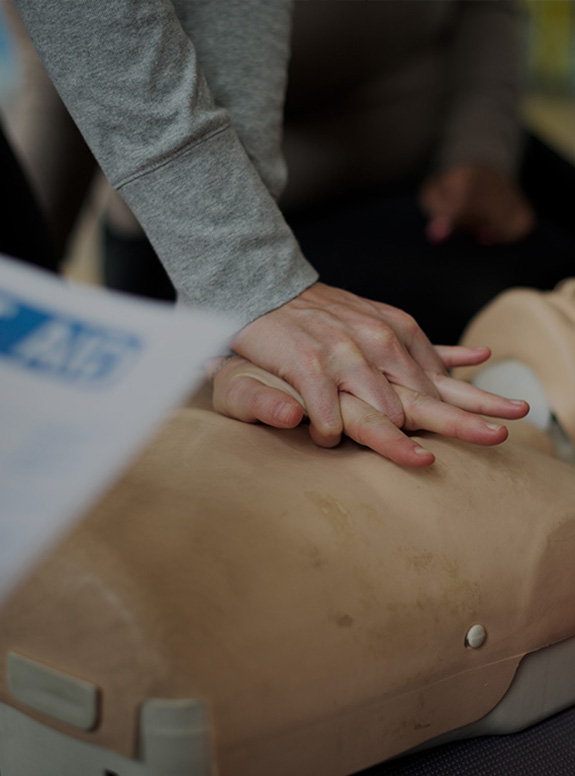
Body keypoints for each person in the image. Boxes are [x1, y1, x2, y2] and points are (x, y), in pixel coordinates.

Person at [5, 0, 533, 463]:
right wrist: (238, 274)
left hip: (385, 187)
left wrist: (483, 145)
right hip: (207, 228)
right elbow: (72, 45)